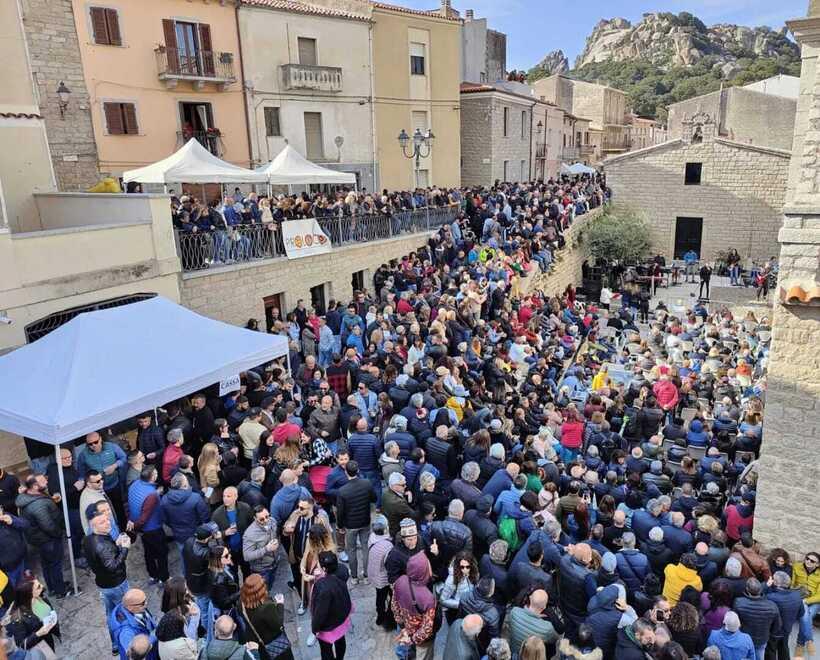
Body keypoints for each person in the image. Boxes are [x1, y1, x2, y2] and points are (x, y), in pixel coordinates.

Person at [84, 502, 131, 654]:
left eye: (107, 519)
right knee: (124, 613)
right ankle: (129, 645)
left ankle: (115, 645)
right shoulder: (101, 545)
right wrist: (124, 548)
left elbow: (102, 559)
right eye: (102, 522)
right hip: (116, 584)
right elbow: (113, 566)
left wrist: (115, 545)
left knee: (111, 614)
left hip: (103, 584)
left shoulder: (89, 539)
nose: (107, 522)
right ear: (93, 525)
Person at [15, 474, 67, 598]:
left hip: (38, 539)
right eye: (43, 481)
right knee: (55, 565)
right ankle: (61, 591)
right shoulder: (38, 505)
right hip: (48, 540)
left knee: (46, 564)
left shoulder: (27, 496)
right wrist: (59, 533)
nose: (46, 482)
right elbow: (48, 526)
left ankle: (52, 588)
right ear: (34, 486)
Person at [127, 465, 169, 585]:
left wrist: (131, 521)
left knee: (148, 553)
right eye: (155, 473)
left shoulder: (134, 485)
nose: (157, 474)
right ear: (153, 477)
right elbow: (144, 517)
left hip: (143, 530)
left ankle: (153, 575)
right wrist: (135, 525)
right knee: (162, 553)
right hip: (153, 529)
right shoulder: (152, 495)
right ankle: (164, 578)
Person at [392, 552, 438, 660]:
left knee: (405, 652)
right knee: (424, 655)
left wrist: (402, 625)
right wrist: (413, 640)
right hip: (419, 637)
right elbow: (427, 628)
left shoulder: (400, 580)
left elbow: (394, 606)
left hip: (406, 626)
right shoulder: (428, 598)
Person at [336, 460, 376, 584]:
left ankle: (353, 577)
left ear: (346, 472)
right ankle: (366, 575)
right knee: (365, 548)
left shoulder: (342, 491)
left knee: (351, 550)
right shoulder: (367, 483)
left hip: (350, 525)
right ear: (358, 470)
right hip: (364, 522)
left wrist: (340, 525)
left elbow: (340, 512)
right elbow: (374, 498)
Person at [160, 473, 210, 572]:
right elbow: (205, 517)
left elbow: (165, 519)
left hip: (179, 535)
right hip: (195, 533)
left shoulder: (165, 499)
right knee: (200, 556)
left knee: (184, 558)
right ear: (184, 485)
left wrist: (174, 526)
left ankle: (186, 578)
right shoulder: (195, 497)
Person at [78, 431, 128, 527]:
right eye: (90, 444)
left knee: (119, 508)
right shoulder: (83, 455)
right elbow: (81, 472)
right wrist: (81, 480)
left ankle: (124, 529)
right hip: (98, 490)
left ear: (101, 439)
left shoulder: (112, 446)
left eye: (96, 442)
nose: (93, 445)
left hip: (114, 484)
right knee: (104, 513)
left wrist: (115, 466)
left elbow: (124, 457)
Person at [238, 574, 291, 660]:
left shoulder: (241, 603)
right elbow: (278, 625)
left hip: (257, 643)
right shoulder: (266, 607)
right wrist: (280, 604)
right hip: (274, 644)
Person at [310, 552, 353, 660]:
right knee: (340, 641)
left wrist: (315, 628)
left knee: (326, 650)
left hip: (328, 625)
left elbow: (320, 612)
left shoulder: (323, 587)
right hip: (341, 618)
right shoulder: (342, 571)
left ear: (324, 568)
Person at [4, 578, 59, 657]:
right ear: (30, 594)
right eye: (38, 587)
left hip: (48, 637)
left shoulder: (40, 596)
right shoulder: (17, 618)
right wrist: (38, 634)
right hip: (39, 646)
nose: (42, 586)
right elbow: (21, 645)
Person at [732, 578, 781, 660]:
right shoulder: (772, 606)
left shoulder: (739, 602)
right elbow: (777, 626)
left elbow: (735, 621)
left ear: (747, 590)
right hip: (762, 639)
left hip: (744, 638)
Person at [211, 487, 253, 579]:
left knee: (247, 570)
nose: (225, 498)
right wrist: (225, 533)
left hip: (244, 548)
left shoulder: (245, 508)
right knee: (232, 574)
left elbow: (252, 526)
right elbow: (213, 535)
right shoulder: (217, 514)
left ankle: (248, 589)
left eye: (228, 496)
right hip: (229, 551)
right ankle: (236, 591)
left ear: (235, 496)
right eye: (224, 496)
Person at [109, 589, 158, 660]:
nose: (146, 603)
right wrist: (155, 635)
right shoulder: (126, 632)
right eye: (143, 603)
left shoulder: (134, 608)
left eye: (146, 600)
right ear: (130, 607)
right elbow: (136, 653)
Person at [766, 571, 804, 660]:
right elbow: (801, 613)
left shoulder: (771, 597)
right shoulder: (797, 595)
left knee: (771, 651)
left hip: (773, 631)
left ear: (775, 583)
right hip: (787, 629)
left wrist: (766, 586)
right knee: (784, 649)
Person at [508, 589, 557, 656]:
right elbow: (554, 640)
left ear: (530, 598)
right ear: (544, 607)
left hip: (514, 653)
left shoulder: (514, 612)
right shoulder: (548, 627)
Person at [241, 506, 279, 591]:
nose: (266, 520)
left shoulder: (272, 521)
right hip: (261, 570)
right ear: (255, 518)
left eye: (267, 516)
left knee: (270, 587)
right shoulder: (250, 534)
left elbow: (275, 533)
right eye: (261, 519)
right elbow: (246, 556)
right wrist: (266, 549)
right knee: (261, 593)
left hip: (274, 563)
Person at [792, 551, 820, 657]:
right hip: (799, 598)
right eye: (807, 558)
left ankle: (800, 644)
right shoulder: (797, 567)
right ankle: (808, 641)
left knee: (807, 614)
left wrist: (807, 601)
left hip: (814, 601)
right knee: (806, 614)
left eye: (812, 561)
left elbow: (819, 595)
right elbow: (791, 585)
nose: (808, 561)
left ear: (817, 564)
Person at [0, 503, 29, 588]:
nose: (0, 511)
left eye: (0, 508)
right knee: (17, 593)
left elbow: (26, 525)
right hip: (8, 570)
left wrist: (13, 521)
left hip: (22, 560)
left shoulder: (7, 516)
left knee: (28, 588)